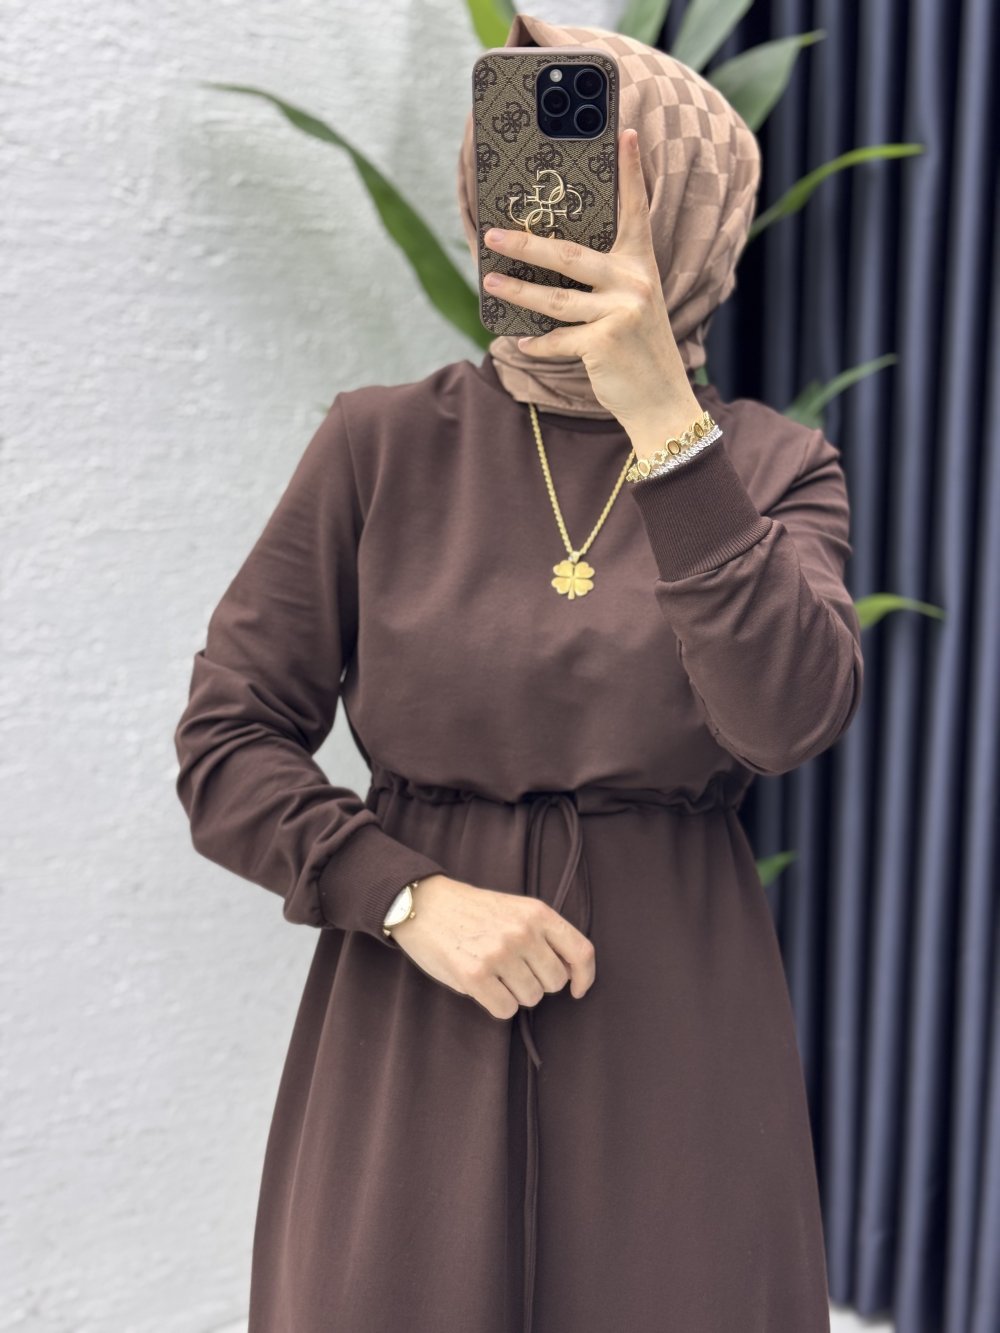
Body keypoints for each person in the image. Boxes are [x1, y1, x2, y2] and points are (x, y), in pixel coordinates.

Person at [173, 14, 863, 1333]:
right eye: (517, 170)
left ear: (692, 206)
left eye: (604, 177)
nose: (542, 212)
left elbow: (788, 718)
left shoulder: (774, 468)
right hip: (413, 1024)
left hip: (675, 1030)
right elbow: (228, 742)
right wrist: (406, 895)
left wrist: (665, 424)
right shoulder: (380, 446)